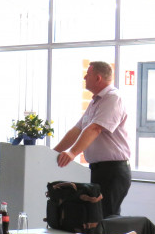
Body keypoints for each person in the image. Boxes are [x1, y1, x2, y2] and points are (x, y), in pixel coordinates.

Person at [53, 61, 131, 217]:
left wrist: (73, 153)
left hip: (113, 170)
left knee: (106, 217)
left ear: (98, 78)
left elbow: (95, 128)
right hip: (99, 169)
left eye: (88, 74)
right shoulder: (96, 101)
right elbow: (77, 130)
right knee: (95, 216)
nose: (84, 77)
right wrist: (53, 152)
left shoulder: (113, 98)